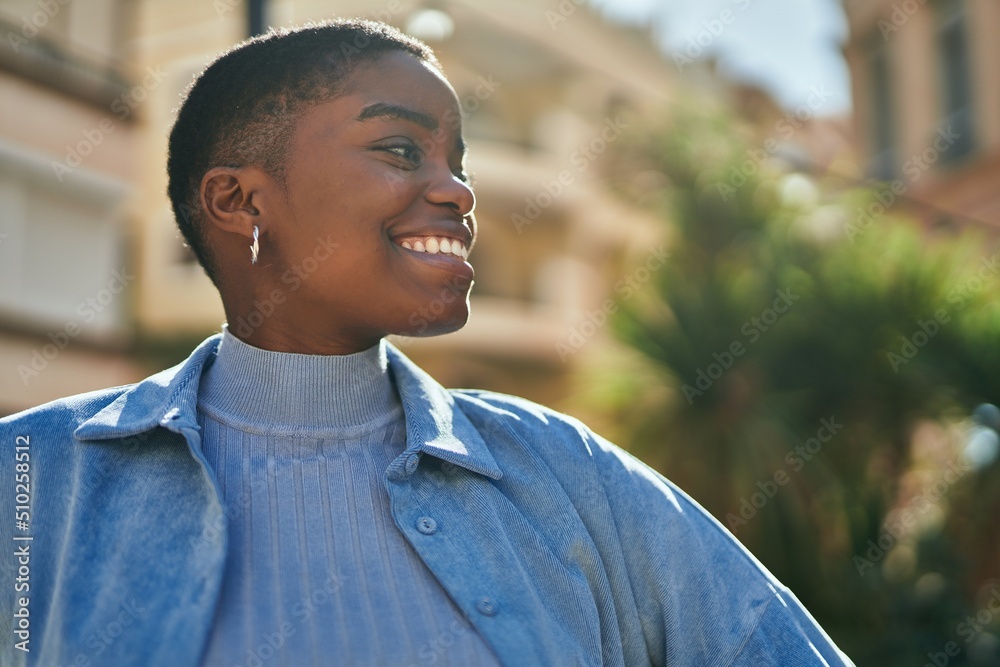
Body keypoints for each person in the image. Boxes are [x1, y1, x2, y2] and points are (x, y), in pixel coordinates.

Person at [0, 19, 855, 667]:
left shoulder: (571, 477)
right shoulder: (31, 478)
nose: (457, 191)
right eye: (401, 148)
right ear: (239, 203)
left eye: (457, 160)